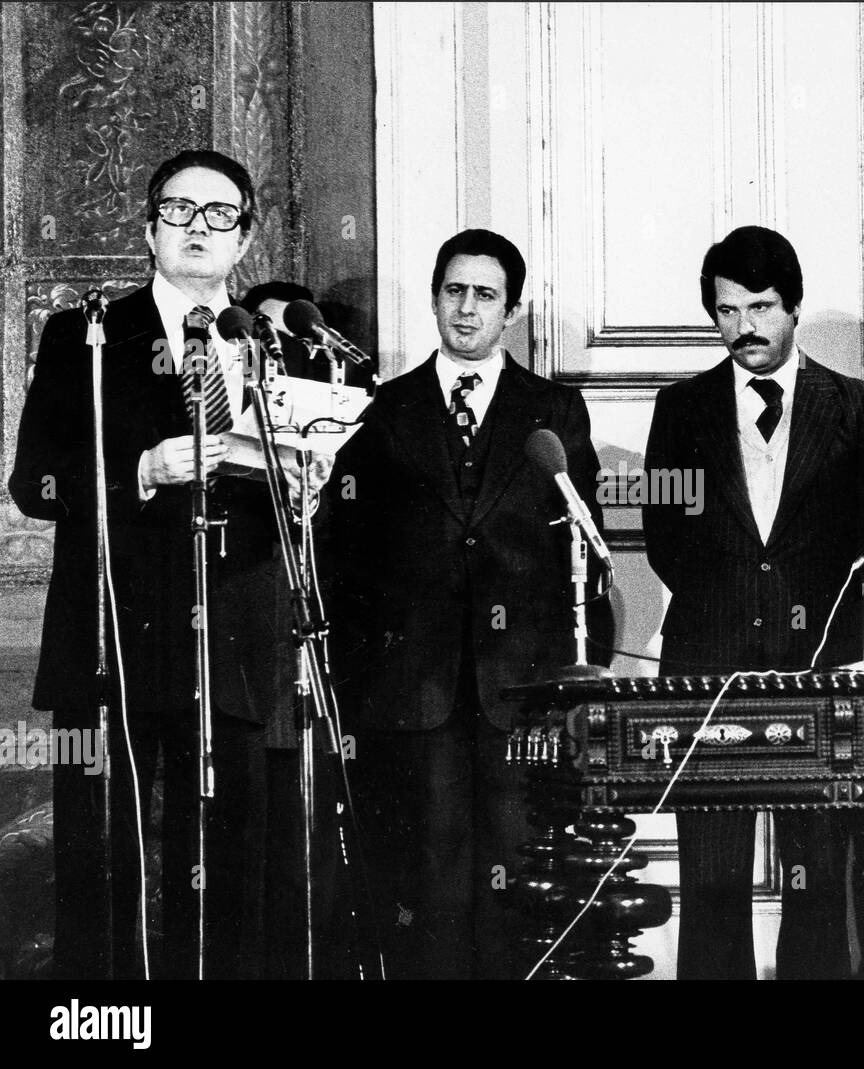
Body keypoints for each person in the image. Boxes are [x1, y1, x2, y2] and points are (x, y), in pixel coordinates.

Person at [9, 149, 321, 979]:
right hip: (116, 632)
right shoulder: (89, 333)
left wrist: (309, 481)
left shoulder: (271, 341)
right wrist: (143, 470)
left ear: (245, 238)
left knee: (229, 866)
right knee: (106, 864)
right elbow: (34, 479)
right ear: (149, 230)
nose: (197, 228)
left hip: (240, 641)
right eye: (178, 210)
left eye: (220, 214)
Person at [327, 228, 612, 979]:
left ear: (510, 310)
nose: (466, 307)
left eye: (485, 294)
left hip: (523, 694)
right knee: (428, 888)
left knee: (522, 879)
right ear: (433, 298)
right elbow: (347, 561)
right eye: (454, 290)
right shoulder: (381, 411)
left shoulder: (554, 409)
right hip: (411, 696)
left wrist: (578, 684)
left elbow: (581, 552)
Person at [643, 225, 864, 980]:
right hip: (707, 674)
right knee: (713, 886)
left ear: (794, 307)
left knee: (818, 883)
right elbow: (666, 534)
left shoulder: (857, 407)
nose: (745, 328)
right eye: (727, 311)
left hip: (820, 679)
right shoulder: (680, 408)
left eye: (760, 307)